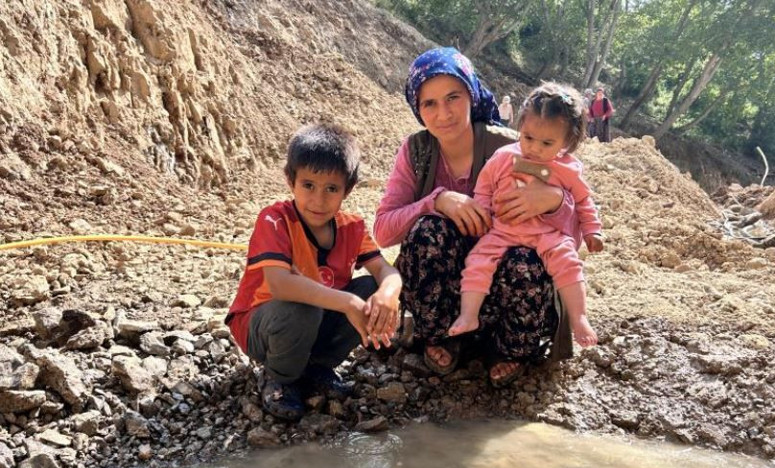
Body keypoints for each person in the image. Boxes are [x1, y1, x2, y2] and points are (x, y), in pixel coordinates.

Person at [374, 47, 578, 388]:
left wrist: (554, 199)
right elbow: (383, 230)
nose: (443, 113)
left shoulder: (515, 148)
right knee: (428, 230)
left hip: (506, 290)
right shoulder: (417, 152)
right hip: (449, 295)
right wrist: (437, 201)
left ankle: (507, 348)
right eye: (430, 104)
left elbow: (575, 235)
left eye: (453, 97)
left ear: (471, 94)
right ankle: (442, 337)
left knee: (526, 258)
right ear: (417, 108)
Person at [226, 124, 401, 420]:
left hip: (313, 320)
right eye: (308, 185)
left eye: (331, 189)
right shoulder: (275, 220)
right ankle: (279, 376)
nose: (319, 200)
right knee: (303, 308)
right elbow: (280, 285)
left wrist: (388, 294)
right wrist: (348, 303)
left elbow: (385, 270)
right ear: (290, 181)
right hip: (263, 324)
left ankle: (317, 366)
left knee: (370, 287)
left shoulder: (351, 226)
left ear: (348, 189)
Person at [448, 82, 604, 348]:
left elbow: (583, 201)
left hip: (548, 234)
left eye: (547, 143)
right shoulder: (502, 157)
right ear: (520, 126)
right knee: (478, 260)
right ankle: (468, 315)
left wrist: (592, 230)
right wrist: (483, 214)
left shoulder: (567, 168)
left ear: (567, 142)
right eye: (528, 137)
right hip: (502, 230)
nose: (534, 148)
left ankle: (579, 318)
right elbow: (484, 188)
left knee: (568, 264)